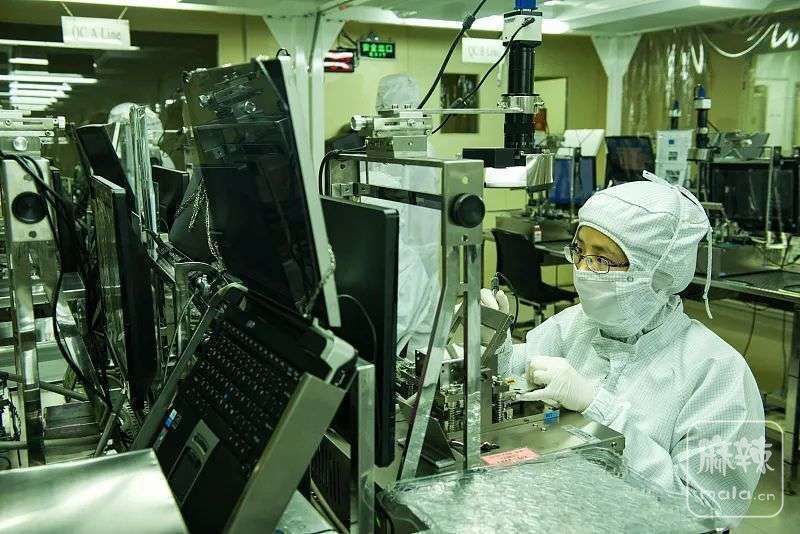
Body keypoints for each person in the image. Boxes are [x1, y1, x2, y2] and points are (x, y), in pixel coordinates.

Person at [483, 175, 765, 525]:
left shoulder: (716, 373)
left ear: (658, 273)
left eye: (602, 259)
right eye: (580, 251)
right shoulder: (576, 324)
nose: (582, 270)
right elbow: (515, 376)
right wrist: (493, 341)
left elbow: (707, 514)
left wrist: (602, 411)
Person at [367, 74, 440, 357]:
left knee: (418, 339)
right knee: (417, 338)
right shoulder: (383, 153)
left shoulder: (413, 152)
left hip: (413, 259)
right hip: (409, 259)